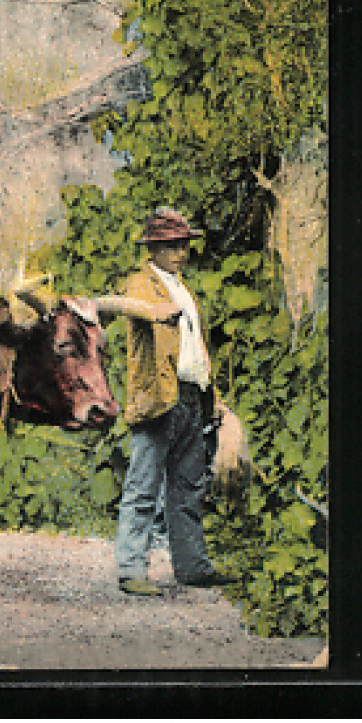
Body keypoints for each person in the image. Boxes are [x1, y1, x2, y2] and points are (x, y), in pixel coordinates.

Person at [111, 206, 240, 596]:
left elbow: (195, 350)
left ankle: (192, 567)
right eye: (171, 245)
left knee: (188, 487)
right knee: (143, 486)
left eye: (183, 244)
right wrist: (153, 312)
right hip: (157, 399)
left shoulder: (183, 288)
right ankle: (131, 570)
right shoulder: (140, 285)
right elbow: (133, 310)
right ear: (152, 248)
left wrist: (211, 397)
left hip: (191, 397)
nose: (180, 252)